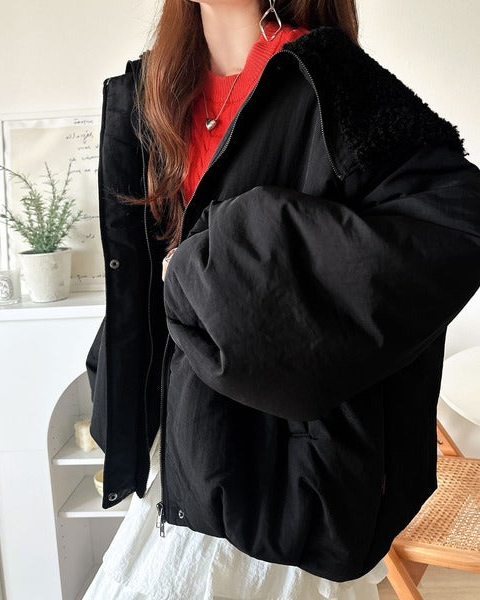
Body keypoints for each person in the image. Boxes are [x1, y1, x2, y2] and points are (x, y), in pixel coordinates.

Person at [84, 0, 480, 598]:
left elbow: (453, 225)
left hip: (279, 479)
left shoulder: (327, 77)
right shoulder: (150, 92)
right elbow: (141, 277)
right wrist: (116, 384)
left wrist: (212, 261)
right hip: (175, 461)